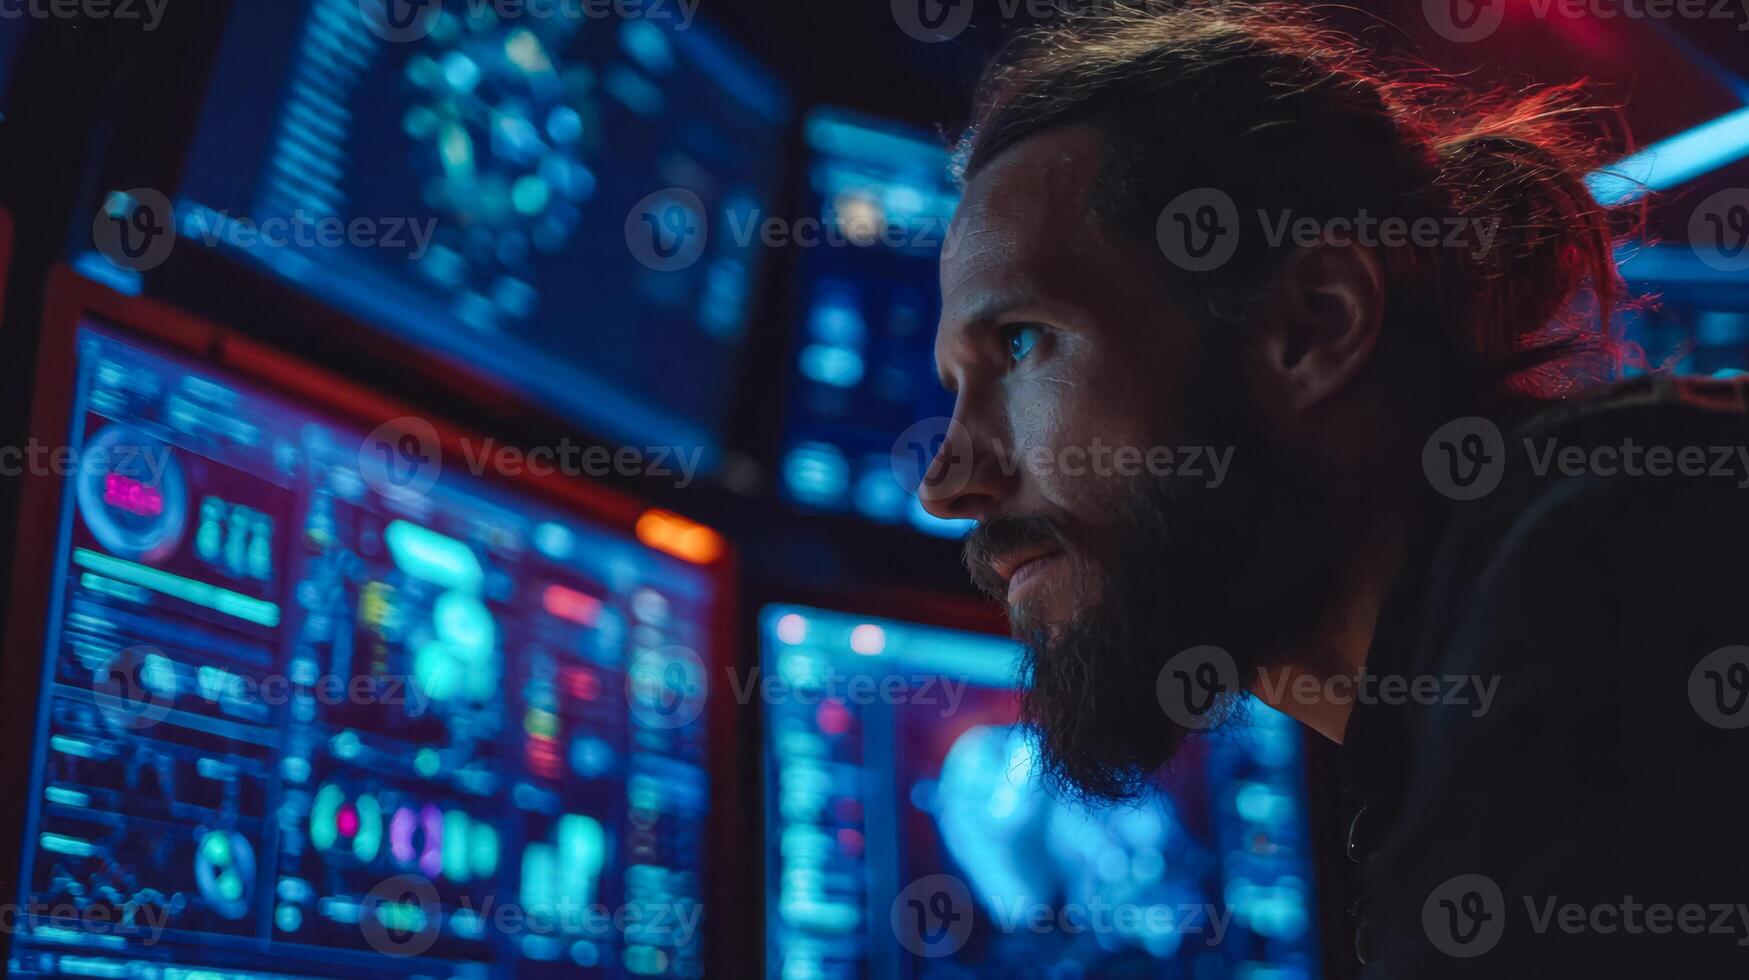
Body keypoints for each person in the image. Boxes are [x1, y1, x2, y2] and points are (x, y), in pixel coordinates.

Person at [920, 3, 1749, 975]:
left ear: (1314, 325)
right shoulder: (1485, 659)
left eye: (1020, 342)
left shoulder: (1615, 586)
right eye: (952, 389)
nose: (948, 483)